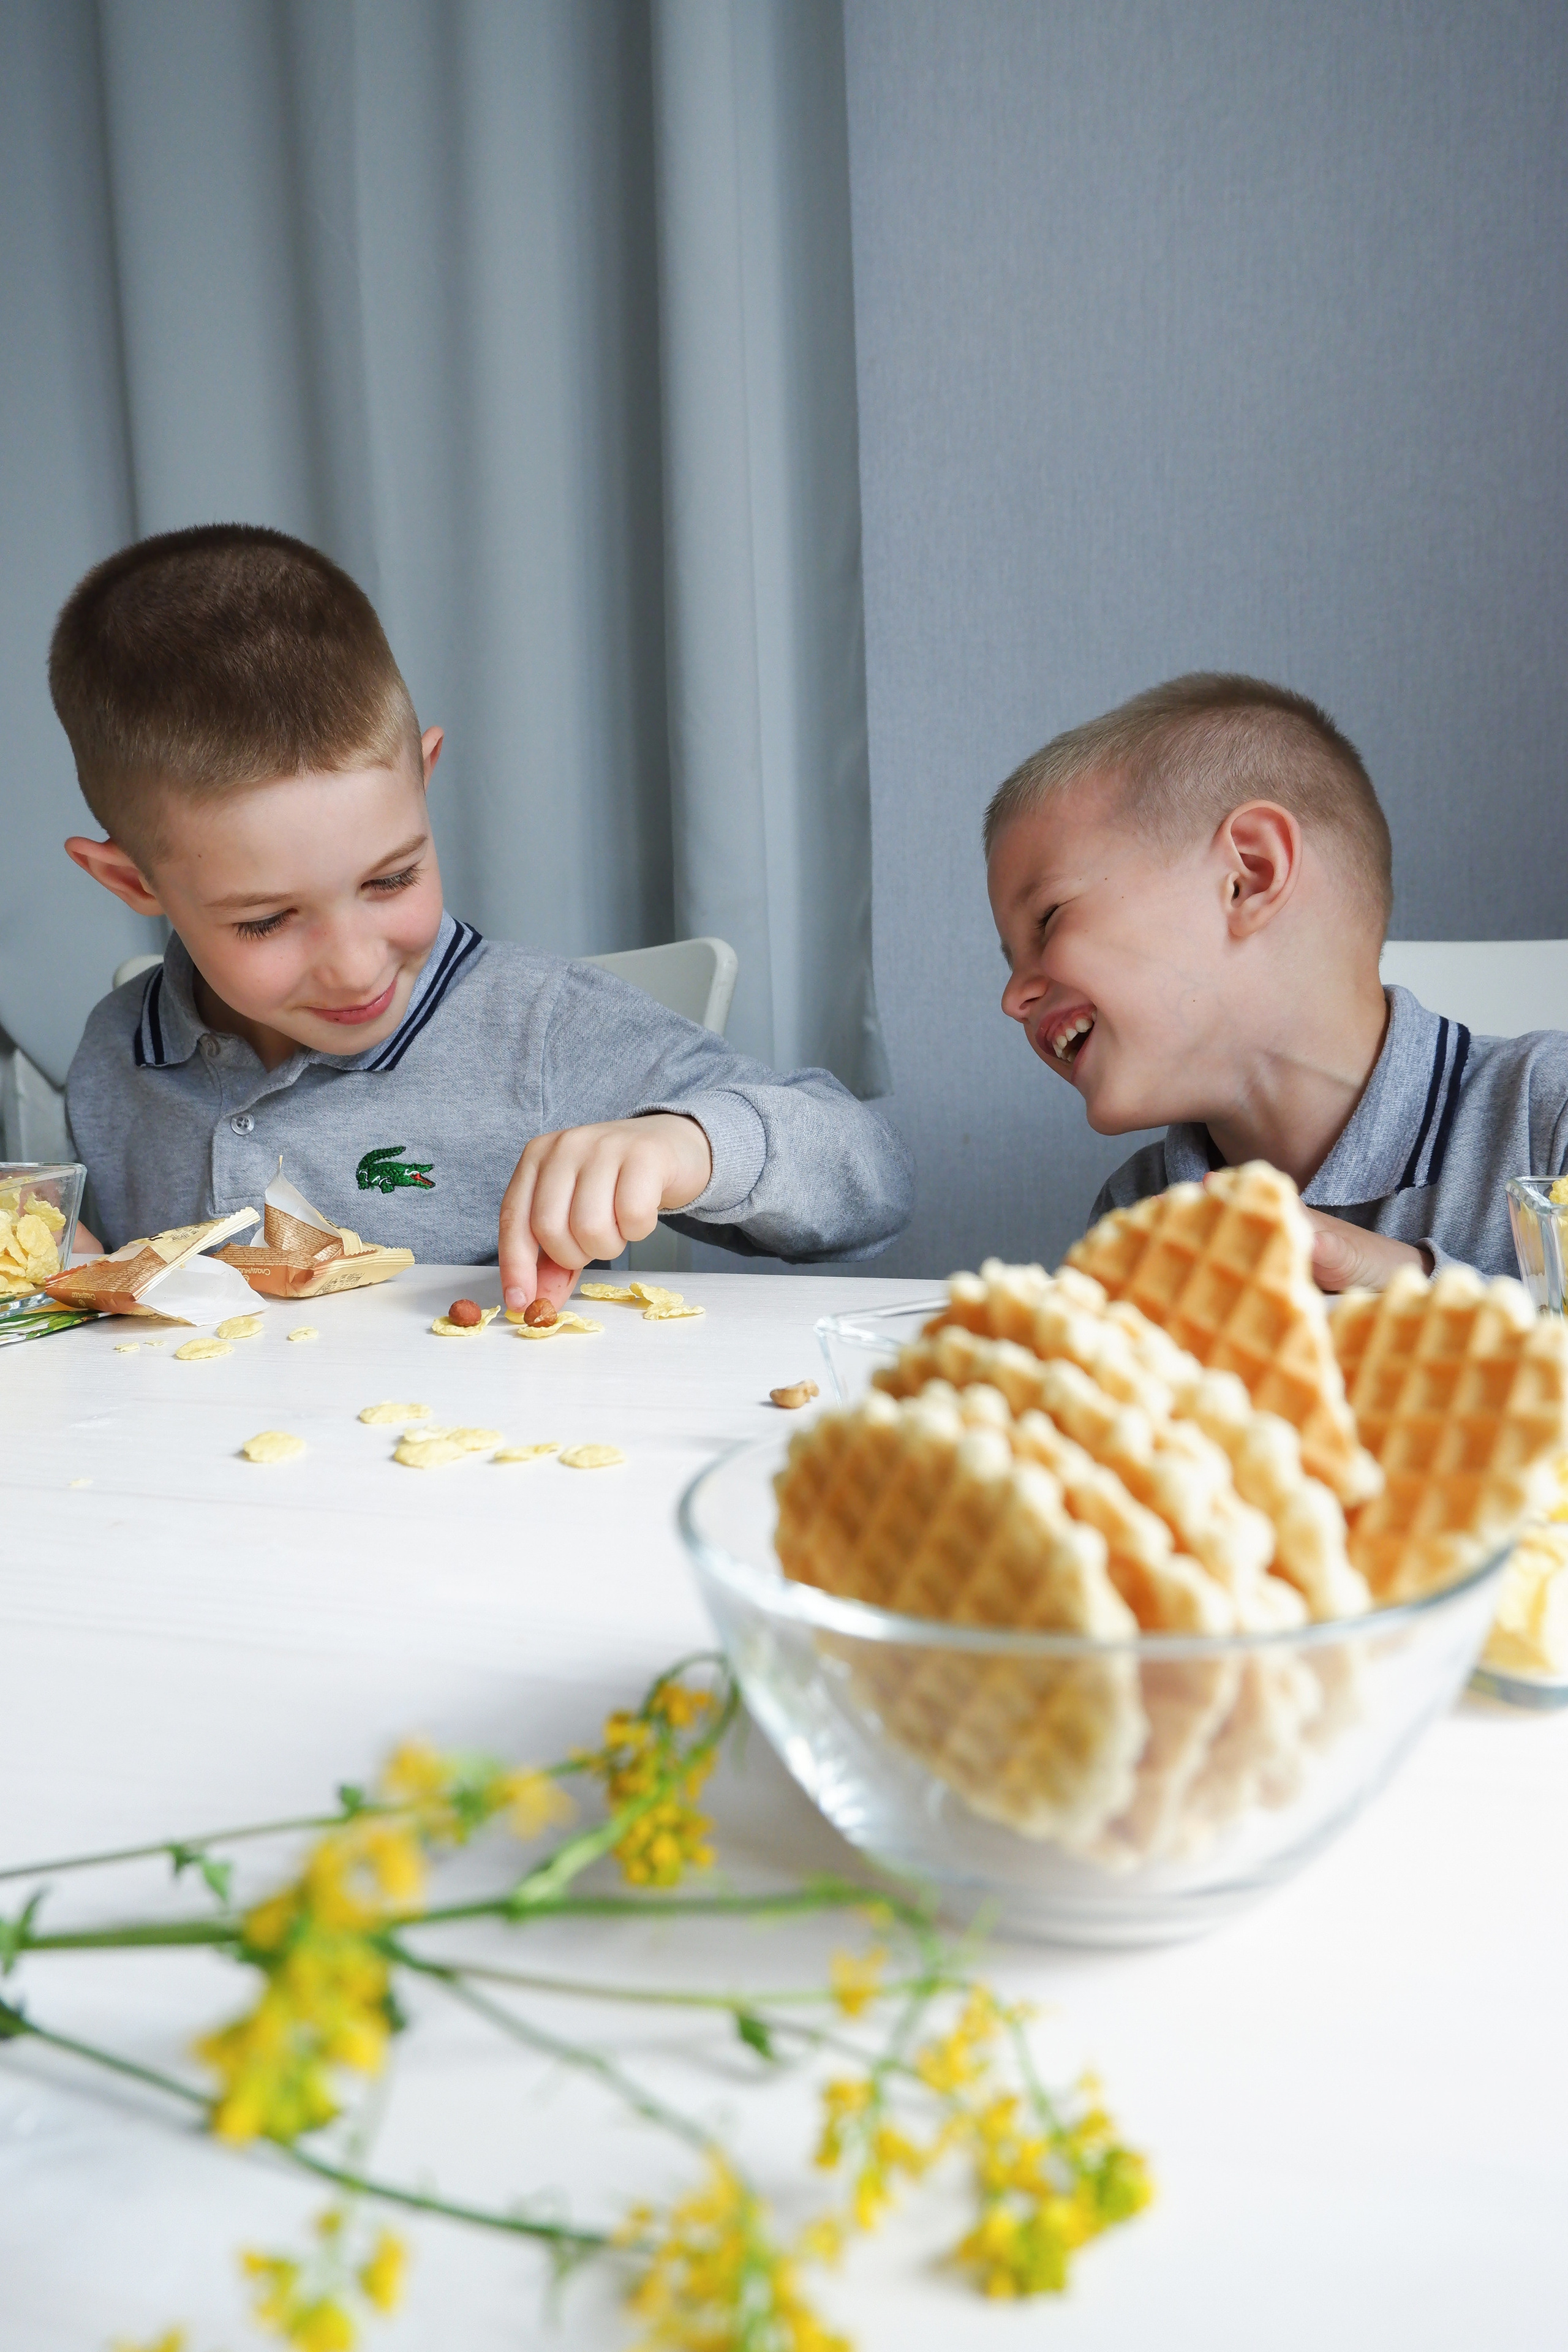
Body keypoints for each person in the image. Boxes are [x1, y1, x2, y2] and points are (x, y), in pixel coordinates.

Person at [53, 525, 912, 1307]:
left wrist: (687, 1147)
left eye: (390, 880)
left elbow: (871, 1181)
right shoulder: (112, 1056)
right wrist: (67, 1266)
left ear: (422, 781)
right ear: (132, 882)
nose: (354, 965)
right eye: (267, 922)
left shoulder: (540, 1031)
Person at [984, 673, 1568, 1287]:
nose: (1012, 997)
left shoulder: (1548, 1113)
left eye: (1047, 920)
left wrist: (1408, 1280)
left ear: (1250, 875)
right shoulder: (1138, 1208)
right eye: (1008, 960)